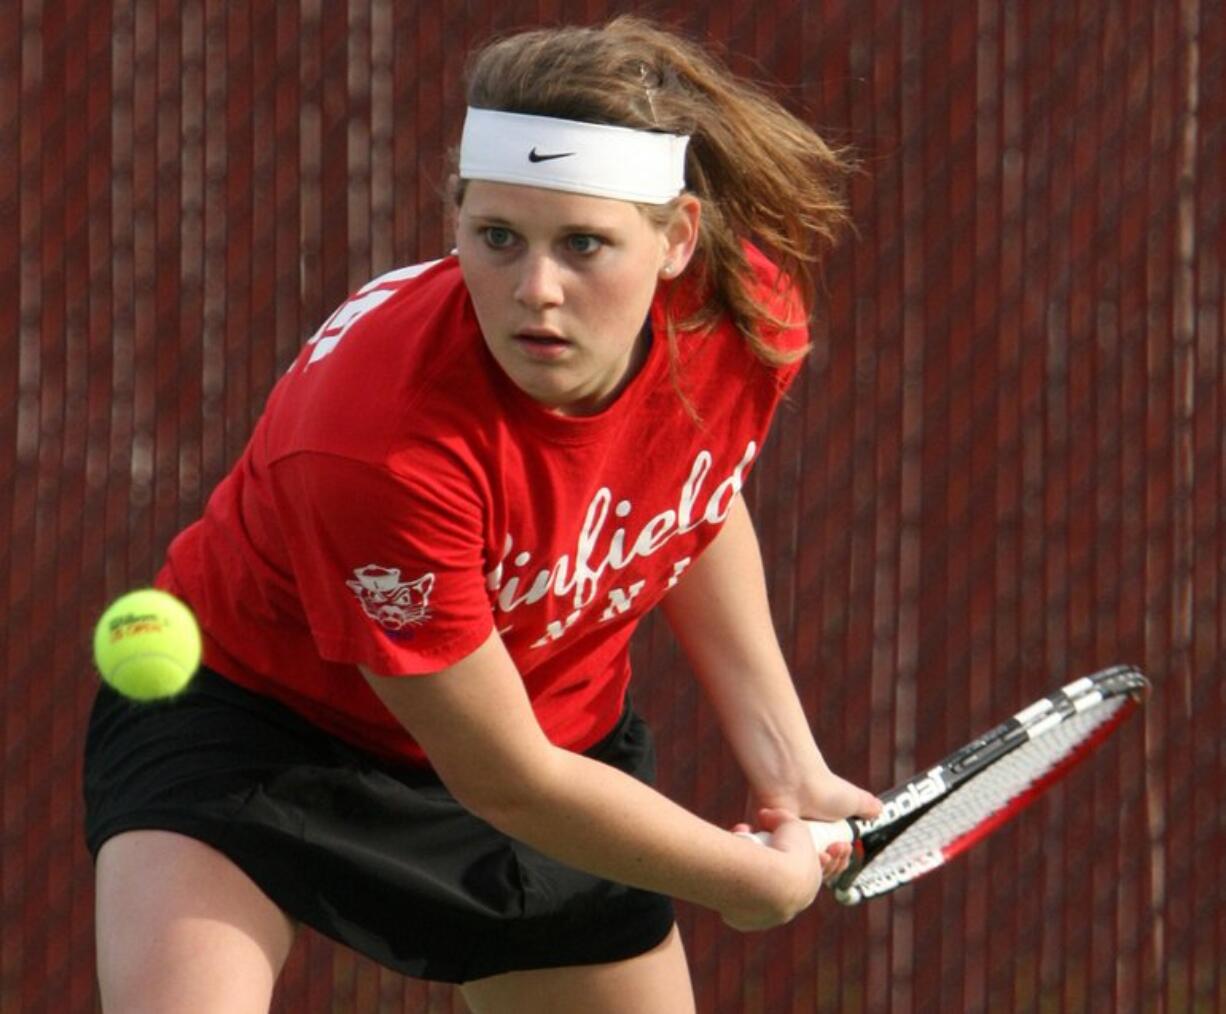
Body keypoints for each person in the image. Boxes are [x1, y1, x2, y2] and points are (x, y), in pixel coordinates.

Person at [84, 16, 881, 1014]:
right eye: (496, 237)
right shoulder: (377, 444)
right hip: (260, 732)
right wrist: (744, 883)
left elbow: (688, 498)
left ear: (677, 238)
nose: (534, 291)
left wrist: (787, 763)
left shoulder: (741, 319)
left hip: (556, 745)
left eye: (584, 243)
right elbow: (503, 777)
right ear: (454, 215)